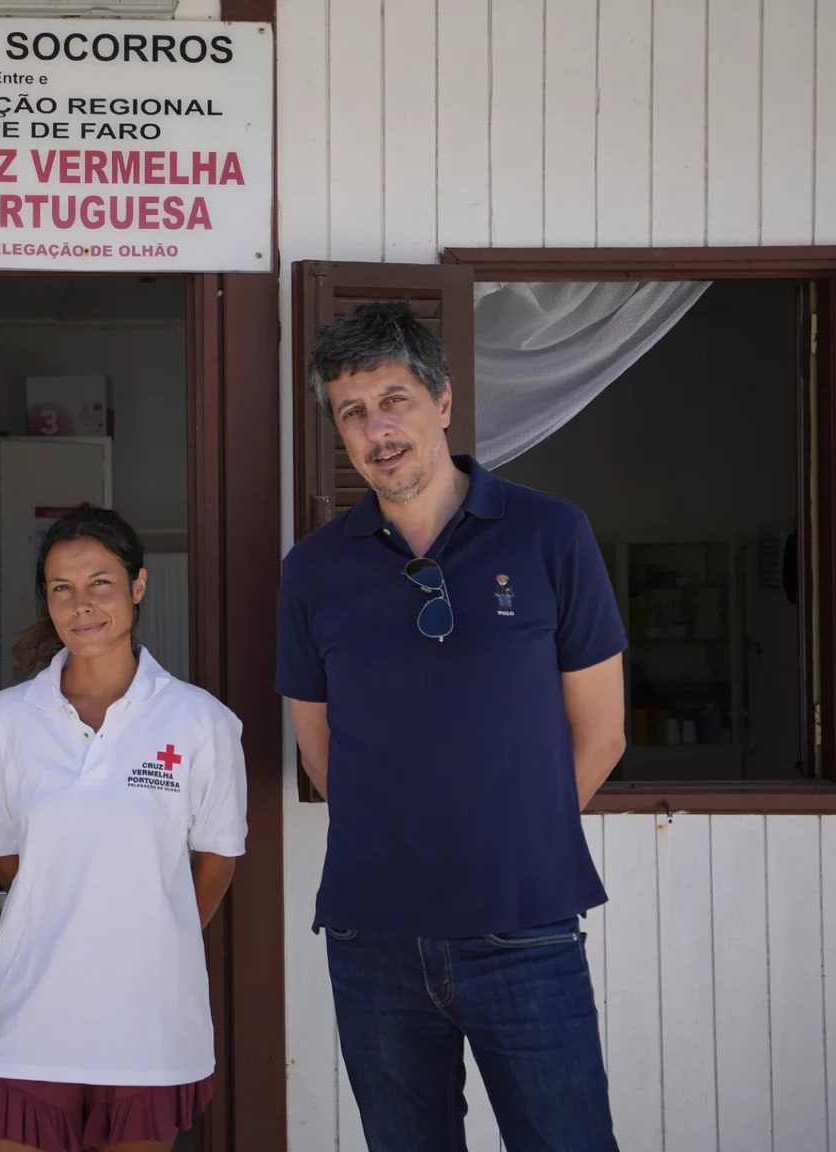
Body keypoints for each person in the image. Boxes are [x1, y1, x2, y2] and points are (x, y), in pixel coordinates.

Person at [277, 303, 627, 1151]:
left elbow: (602, 732)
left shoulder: (550, 533)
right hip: (372, 935)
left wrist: (512, 844)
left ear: (442, 401)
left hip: (524, 926)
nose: (376, 430)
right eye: (352, 412)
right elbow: (320, 749)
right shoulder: (313, 570)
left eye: (393, 400)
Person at [0, 505, 248, 1152]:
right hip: (30, 1010)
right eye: (62, 587)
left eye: (100, 583)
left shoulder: (199, 721)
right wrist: (69, 916)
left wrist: (154, 934)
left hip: (147, 1021)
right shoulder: (10, 717)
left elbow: (218, 858)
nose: (80, 604)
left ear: (138, 586)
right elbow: (5, 856)